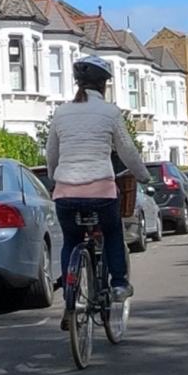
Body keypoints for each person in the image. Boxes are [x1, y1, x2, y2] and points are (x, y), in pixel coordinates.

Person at [46, 56, 151, 330]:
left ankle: (70, 300)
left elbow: (52, 154)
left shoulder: (61, 113)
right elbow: (127, 150)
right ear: (103, 84)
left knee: (71, 239)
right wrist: (143, 175)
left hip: (66, 193)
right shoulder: (110, 112)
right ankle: (118, 284)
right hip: (100, 191)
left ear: (78, 83)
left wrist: (54, 178)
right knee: (113, 232)